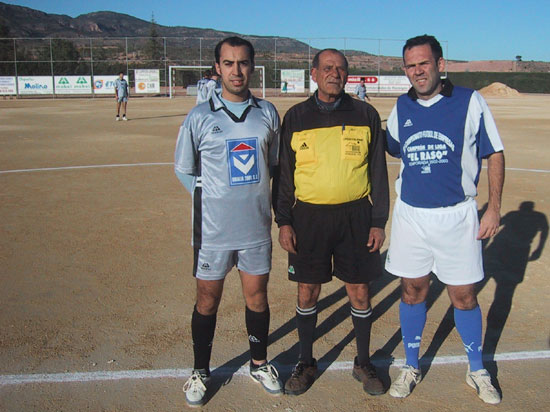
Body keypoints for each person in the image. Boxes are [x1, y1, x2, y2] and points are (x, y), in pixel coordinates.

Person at [384, 34, 504, 405]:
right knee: (412, 289)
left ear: (439, 63)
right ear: (405, 70)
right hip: (412, 217)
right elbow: (390, 147)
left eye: (424, 63)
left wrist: (495, 207)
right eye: (411, 65)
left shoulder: (470, 101)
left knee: (464, 295)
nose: (418, 71)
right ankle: (410, 365)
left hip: (458, 216)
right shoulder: (401, 107)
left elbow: (494, 153)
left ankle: (476, 368)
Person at [273, 49, 389, 396]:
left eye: (340, 68)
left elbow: (378, 175)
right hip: (308, 217)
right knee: (308, 290)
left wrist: (378, 220)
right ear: (314, 73)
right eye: (327, 68)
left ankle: (363, 362)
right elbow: (284, 176)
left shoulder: (365, 114)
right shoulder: (295, 117)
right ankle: (306, 361)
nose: (334, 73)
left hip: (356, 216)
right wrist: (284, 221)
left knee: (360, 290)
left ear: (347, 75)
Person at [174, 36, 283, 407]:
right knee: (207, 300)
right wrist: (215, 198)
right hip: (214, 231)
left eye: (243, 63)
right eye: (229, 63)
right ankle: (200, 371)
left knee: (257, 297)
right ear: (217, 68)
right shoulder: (200, 116)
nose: (236, 71)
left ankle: (259, 363)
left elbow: (275, 167)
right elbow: (184, 170)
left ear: (253, 66)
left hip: (255, 228)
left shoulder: (267, 112)